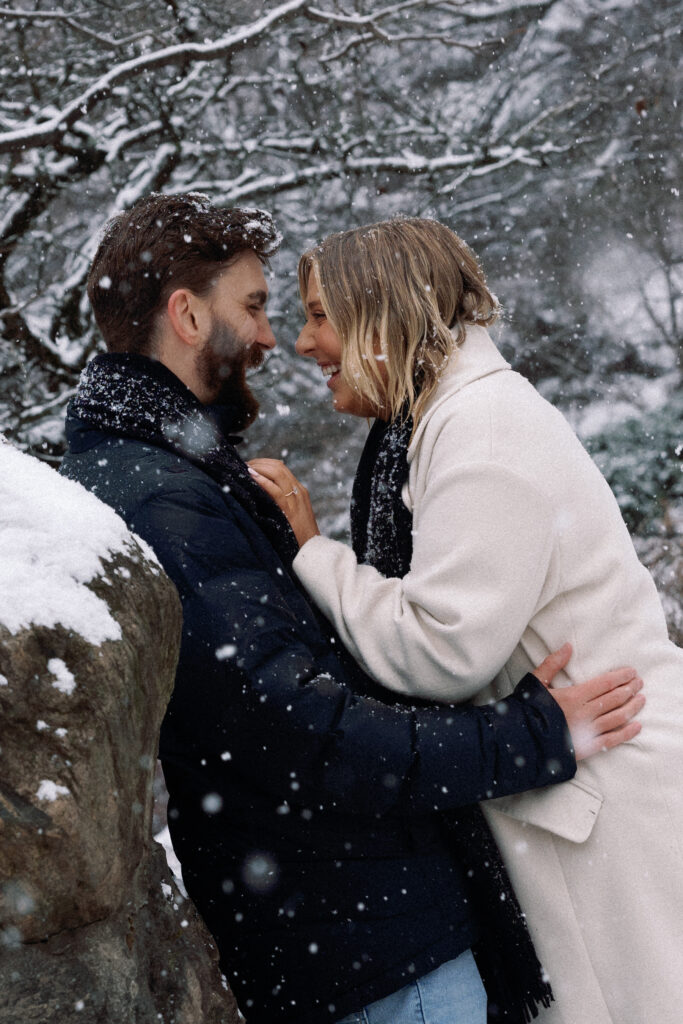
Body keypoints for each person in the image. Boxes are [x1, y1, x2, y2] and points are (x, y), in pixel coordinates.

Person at [60, 194, 643, 1024]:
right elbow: (307, 732)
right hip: (362, 946)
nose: (277, 340)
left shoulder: (161, 478)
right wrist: (532, 736)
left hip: (349, 931)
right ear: (186, 316)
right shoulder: (165, 498)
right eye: (258, 308)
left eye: (303, 315)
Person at [249, 216, 683, 1024]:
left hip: (606, 795)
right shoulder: (440, 423)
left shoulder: (481, 431)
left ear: (381, 313)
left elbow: (439, 649)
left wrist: (313, 553)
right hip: (574, 780)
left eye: (318, 315)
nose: (302, 344)